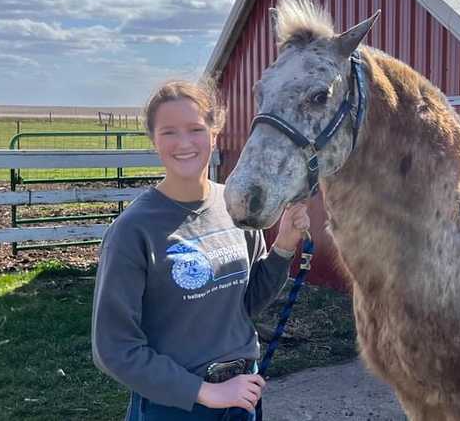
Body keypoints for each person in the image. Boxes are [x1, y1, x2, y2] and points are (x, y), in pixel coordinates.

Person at [92, 80, 309, 421]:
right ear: (153, 140)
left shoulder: (233, 207)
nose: (183, 143)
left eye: (195, 129)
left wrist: (283, 246)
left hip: (241, 396)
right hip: (175, 406)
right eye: (169, 132)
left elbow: (245, 303)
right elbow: (114, 348)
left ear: (214, 132)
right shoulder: (133, 231)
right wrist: (206, 392)